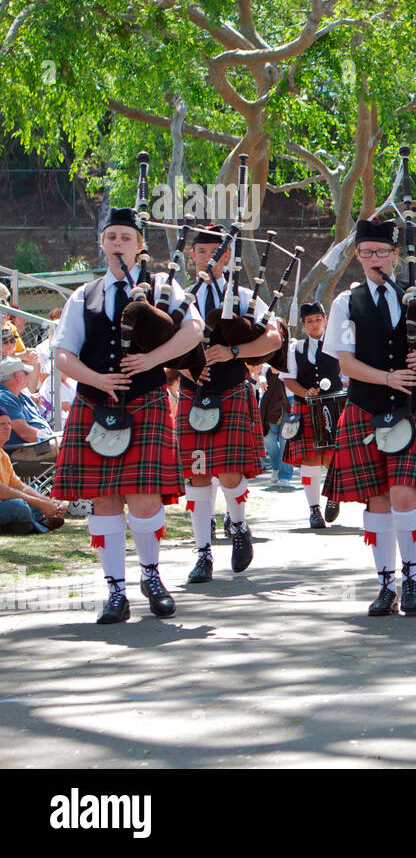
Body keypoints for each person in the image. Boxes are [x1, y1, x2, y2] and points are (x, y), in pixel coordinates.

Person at [48, 207, 204, 623]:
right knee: (105, 500)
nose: (117, 244)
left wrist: (152, 357)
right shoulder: (84, 295)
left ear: (139, 247)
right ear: (102, 244)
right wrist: (97, 379)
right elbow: (63, 353)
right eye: (111, 237)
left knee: (145, 497)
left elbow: (193, 332)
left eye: (125, 238)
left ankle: (151, 577)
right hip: (95, 405)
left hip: (147, 400)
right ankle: (115, 591)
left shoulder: (163, 288)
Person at [322, 215, 416, 616]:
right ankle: (386, 585)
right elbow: (345, 363)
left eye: (382, 252)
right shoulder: (345, 303)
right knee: (378, 500)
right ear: (356, 255)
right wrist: (386, 377)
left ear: (395, 254)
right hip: (368, 407)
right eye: (366, 252)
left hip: (414, 406)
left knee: (405, 494)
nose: (374, 259)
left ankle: (413, 578)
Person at [178, 225, 283, 584]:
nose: (207, 258)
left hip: (231, 389)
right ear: (193, 255)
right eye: (201, 252)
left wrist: (233, 351)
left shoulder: (241, 296)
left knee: (229, 473)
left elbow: (274, 337)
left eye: (214, 253)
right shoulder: (180, 297)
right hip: (194, 394)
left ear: (225, 257)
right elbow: (155, 343)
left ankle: (238, 527)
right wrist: (183, 369)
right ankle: (203, 553)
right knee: (198, 474)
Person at [281, 301, 343, 528]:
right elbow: (288, 380)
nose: (315, 324)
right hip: (306, 407)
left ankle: (334, 496)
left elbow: (348, 372)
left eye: (318, 319)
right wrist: (306, 392)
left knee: (332, 458)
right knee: (310, 460)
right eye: (310, 321)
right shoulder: (295, 349)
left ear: (325, 320)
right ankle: (314, 509)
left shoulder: (338, 344)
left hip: (334, 406)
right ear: (303, 325)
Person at [0, 409, 65, 533]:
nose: (7, 427)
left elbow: (20, 487)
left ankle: (25, 525)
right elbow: (3, 492)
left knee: (32, 506)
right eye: (2, 424)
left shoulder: (3, 455)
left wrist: (48, 502)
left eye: (9, 423)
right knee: (19, 506)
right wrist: (41, 504)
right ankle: (39, 526)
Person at [0, 357, 58, 461]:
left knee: (74, 443)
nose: (29, 375)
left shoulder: (21, 395)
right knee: (72, 447)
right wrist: (50, 439)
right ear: (17, 376)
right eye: (26, 373)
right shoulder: (3, 397)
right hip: (21, 451)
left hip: (39, 445)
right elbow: (24, 432)